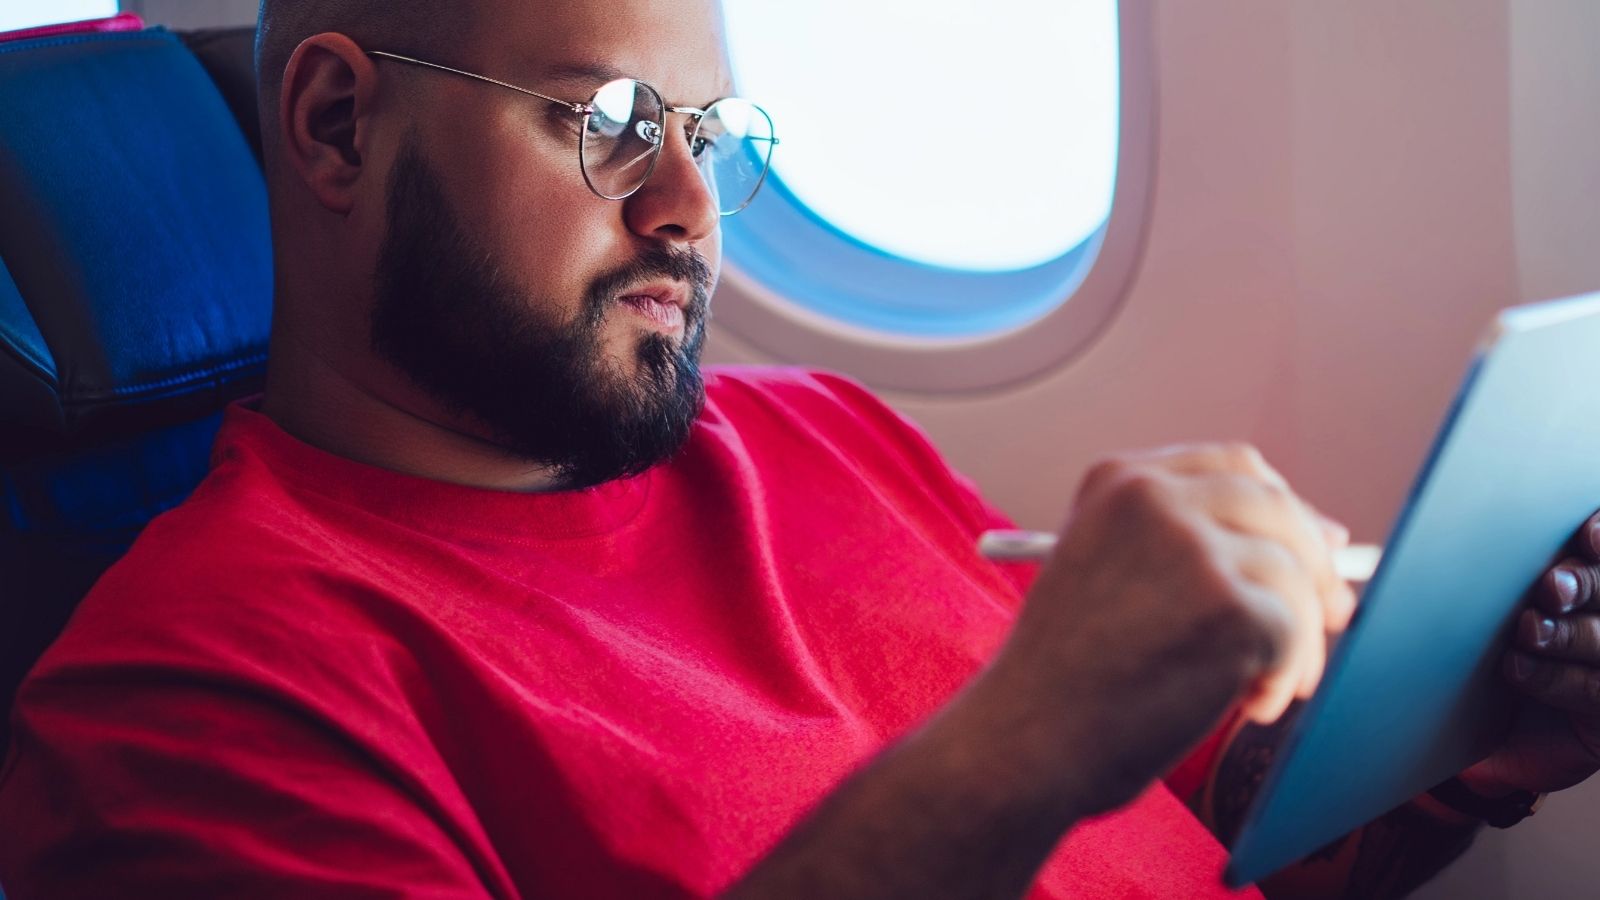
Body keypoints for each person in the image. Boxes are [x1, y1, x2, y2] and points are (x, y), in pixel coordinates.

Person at [2, 1, 1599, 897]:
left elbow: (1209, 850)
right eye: (611, 122)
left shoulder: (820, 434)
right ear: (341, 127)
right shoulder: (191, 701)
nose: (687, 210)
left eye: (709, 139)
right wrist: (1032, 738)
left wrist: (1463, 763)